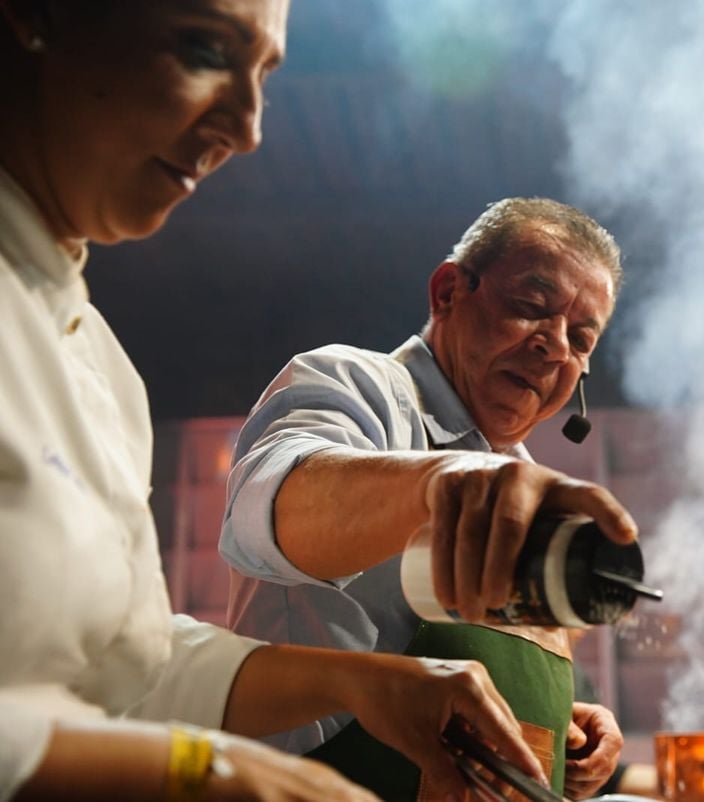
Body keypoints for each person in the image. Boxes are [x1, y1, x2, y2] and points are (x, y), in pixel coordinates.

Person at [0, 1, 547, 800]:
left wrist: (366, 684)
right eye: (202, 47)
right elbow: (275, 506)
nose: (250, 128)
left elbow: (133, 668)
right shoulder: (351, 383)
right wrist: (203, 769)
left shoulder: (101, 368)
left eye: (262, 76)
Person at [219, 197, 639, 800]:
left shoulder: (522, 483)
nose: (553, 347)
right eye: (529, 308)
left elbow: (501, 669)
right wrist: (446, 485)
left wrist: (564, 724)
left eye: (580, 339)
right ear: (447, 292)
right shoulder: (354, 385)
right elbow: (272, 508)